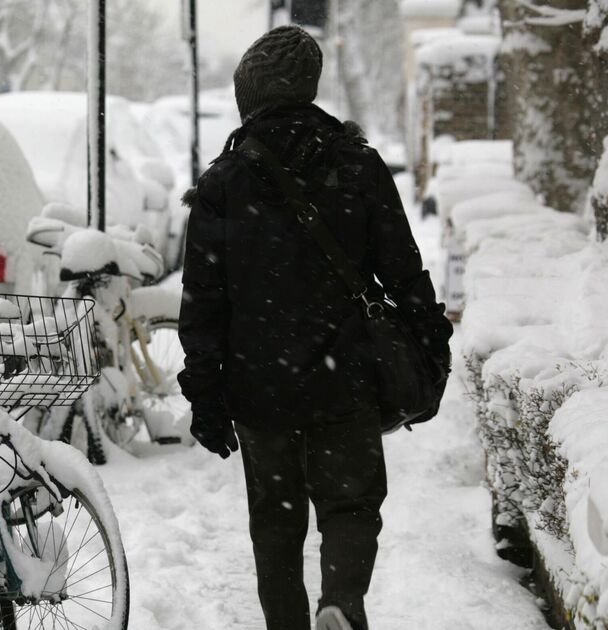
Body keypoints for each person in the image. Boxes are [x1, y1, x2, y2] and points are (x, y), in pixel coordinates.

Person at [178, 25, 453, 630]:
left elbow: (202, 304)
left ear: (248, 95)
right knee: (351, 506)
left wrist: (206, 391)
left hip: (259, 386)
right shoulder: (357, 164)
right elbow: (404, 272)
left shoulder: (223, 183)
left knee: (275, 525)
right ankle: (342, 603)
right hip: (344, 376)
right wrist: (432, 344)